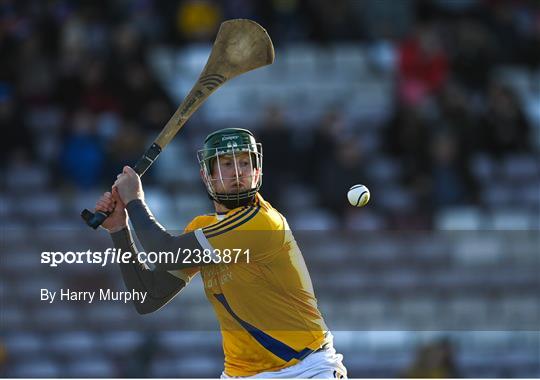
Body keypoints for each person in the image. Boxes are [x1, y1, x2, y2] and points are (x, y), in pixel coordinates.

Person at [94, 128, 347, 378]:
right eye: (226, 164)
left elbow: (164, 253)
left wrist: (135, 200)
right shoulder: (202, 228)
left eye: (245, 163)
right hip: (241, 375)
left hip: (304, 369)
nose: (237, 173)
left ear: (257, 171)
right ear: (207, 175)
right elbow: (149, 298)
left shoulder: (261, 222)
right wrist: (119, 228)